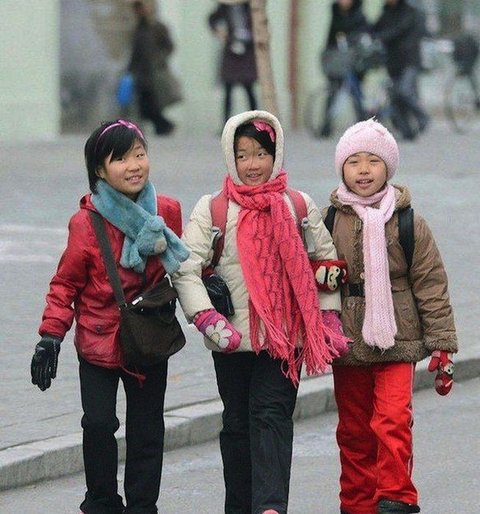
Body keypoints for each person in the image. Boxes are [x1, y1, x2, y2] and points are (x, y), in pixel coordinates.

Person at [172, 109, 350, 514]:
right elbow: (185, 268)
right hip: (231, 340)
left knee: (272, 417)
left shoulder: (298, 206)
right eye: (243, 155)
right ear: (230, 157)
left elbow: (325, 264)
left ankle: (270, 507)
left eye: (261, 154)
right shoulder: (213, 209)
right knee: (237, 424)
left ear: (276, 154)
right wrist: (206, 318)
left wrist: (327, 317)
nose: (252, 165)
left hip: (286, 339)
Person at [30, 119, 189, 514]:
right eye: (120, 159)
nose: (134, 166)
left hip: (149, 337)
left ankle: (142, 506)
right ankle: (102, 502)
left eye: (139, 154)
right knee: (98, 424)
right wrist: (50, 335)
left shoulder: (166, 211)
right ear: (99, 170)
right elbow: (65, 283)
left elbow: (184, 265)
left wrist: (209, 281)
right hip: (98, 341)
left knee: (147, 429)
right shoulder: (86, 223)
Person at [325, 118, 458, 514]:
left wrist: (442, 345)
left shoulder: (408, 221)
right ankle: (357, 504)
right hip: (348, 340)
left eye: (373, 161)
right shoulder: (328, 220)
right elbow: (310, 278)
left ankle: (397, 497)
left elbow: (431, 284)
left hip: (398, 338)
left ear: (389, 168)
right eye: (354, 162)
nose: (363, 170)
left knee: (393, 420)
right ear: (342, 169)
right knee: (354, 431)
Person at [372, 0, 430, 141]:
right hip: (393, 61)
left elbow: (400, 29)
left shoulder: (409, 11)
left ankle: (422, 116)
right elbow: (374, 28)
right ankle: (407, 131)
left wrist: (381, 36)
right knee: (396, 97)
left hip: (409, 60)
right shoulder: (386, 12)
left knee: (404, 91)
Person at [319, 0, 371, 138]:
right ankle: (326, 126)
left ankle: (363, 126)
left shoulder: (359, 16)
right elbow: (330, 37)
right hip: (338, 61)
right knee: (333, 93)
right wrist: (328, 56)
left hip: (354, 62)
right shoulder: (335, 14)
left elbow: (364, 36)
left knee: (356, 94)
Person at [128, 0, 179, 135]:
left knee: (152, 103)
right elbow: (135, 52)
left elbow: (169, 47)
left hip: (154, 73)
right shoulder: (138, 28)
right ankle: (163, 126)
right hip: (141, 73)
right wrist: (130, 70)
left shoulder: (158, 27)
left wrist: (159, 59)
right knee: (144, 105)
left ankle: (164, 126)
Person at [208, 2, 258, 125]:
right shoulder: (225, 7)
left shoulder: (250, 6)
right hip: (231, 49)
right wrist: (219, 32)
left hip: (247, 50)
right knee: (228, 89)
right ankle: (226, 124)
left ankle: (255, 123)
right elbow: (212, 19)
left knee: (249, 88)